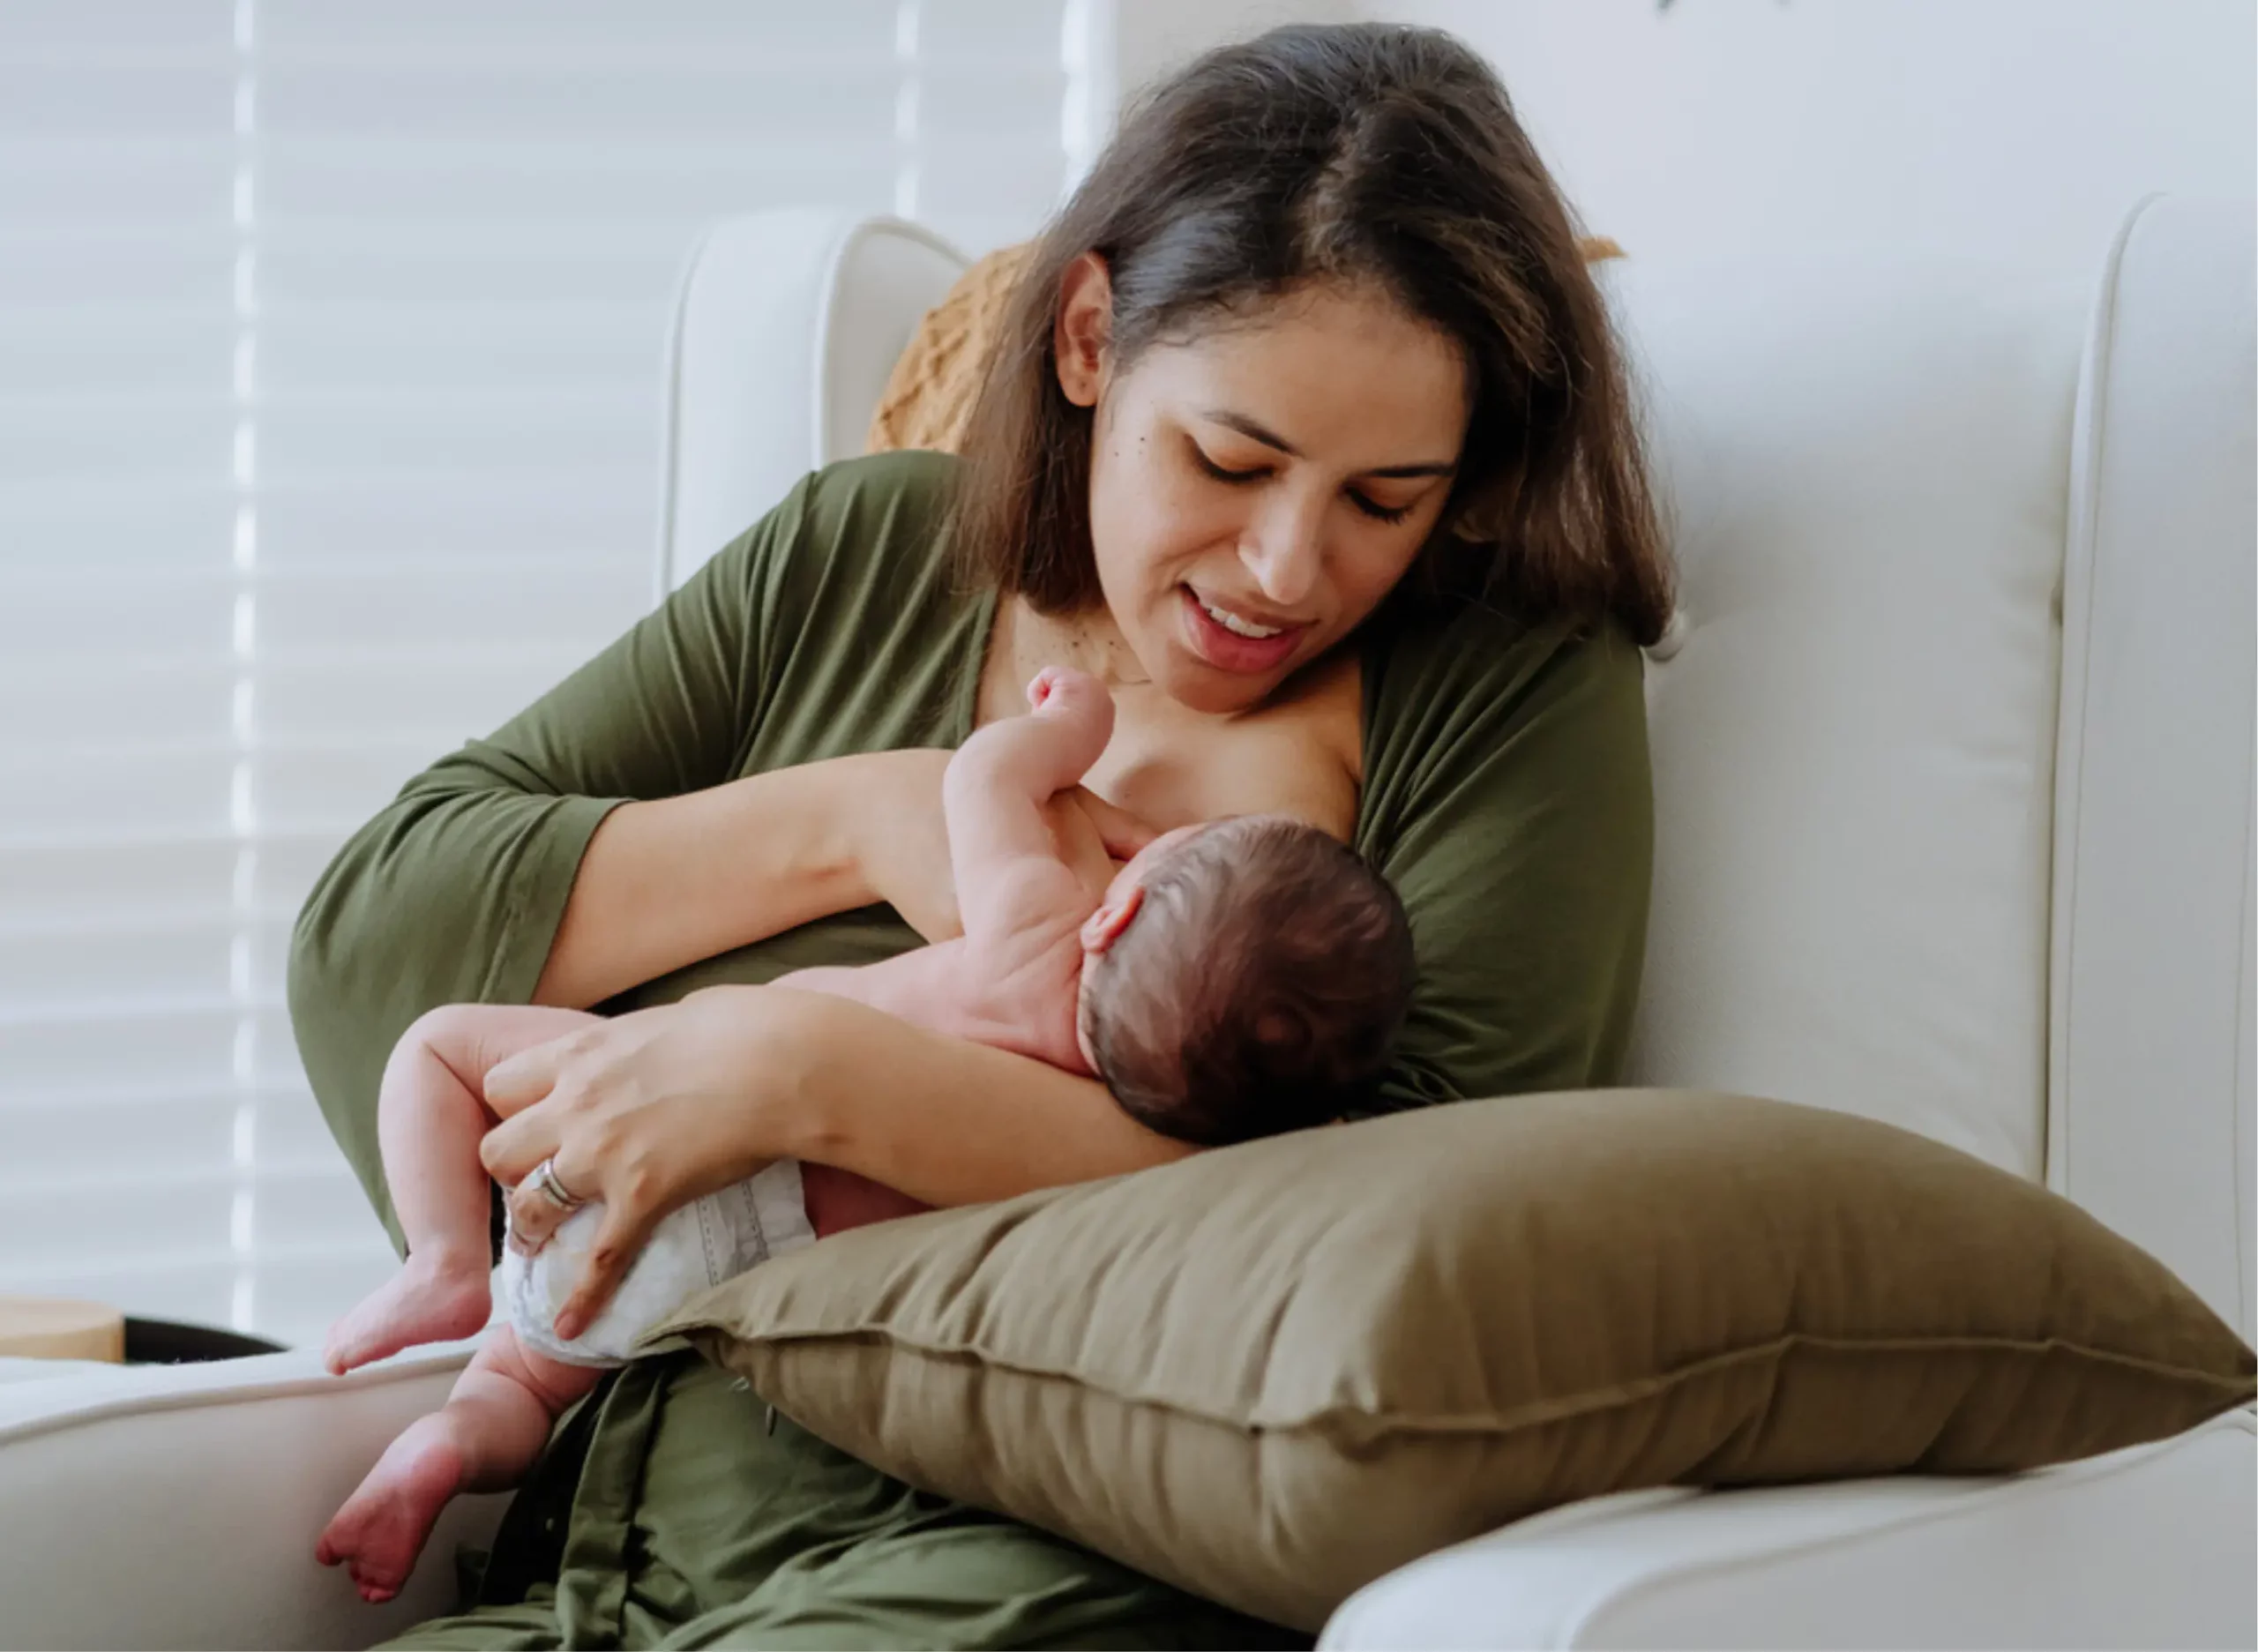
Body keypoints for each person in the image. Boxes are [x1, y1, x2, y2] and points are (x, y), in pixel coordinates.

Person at [287, 21, 1671, 1648]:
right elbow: (378, 943)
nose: (1290, 568)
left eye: (1386, 498)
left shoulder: (1504, 684)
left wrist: (806, 1073)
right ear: (1090, 338)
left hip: (1026, 1567)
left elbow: (1420, 1234)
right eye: (1230, 459)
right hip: (583, 1557)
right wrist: (862, 816)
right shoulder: (860, 556)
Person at [312, 663, 1415, 1605]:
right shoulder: (1136, 1134)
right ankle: (453, 1442)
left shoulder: (1036, 933)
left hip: (658, 1102)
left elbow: (981, 778)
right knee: (522, 1384)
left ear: (1118, 910)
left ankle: (445, 1264)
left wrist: (1068, 724)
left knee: (441, 1048)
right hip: (730, 1277)